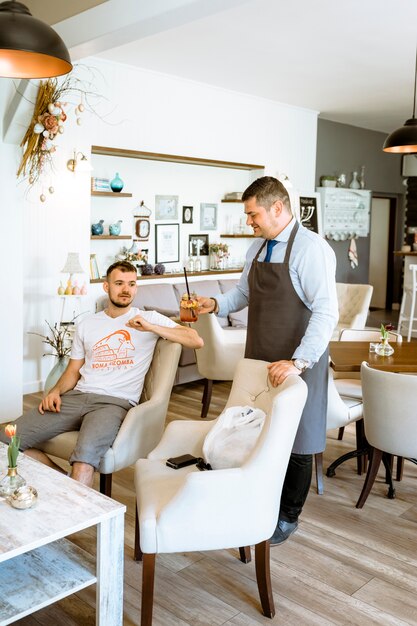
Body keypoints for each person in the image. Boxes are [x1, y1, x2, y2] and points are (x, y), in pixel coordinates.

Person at [197, 176, 338, 544]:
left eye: (253, 214)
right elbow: (243, 293)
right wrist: (214, 305)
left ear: (277, 208)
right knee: (258, 429)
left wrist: (299, 361)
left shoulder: (312, 249)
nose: (249, 222)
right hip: (259, 356)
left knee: (298, 439)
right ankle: (259, 501)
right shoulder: (257, 249)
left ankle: (288, 517)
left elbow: (326, 312)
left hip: (297, 361)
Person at [1, 261, 203, 487]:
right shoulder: (88, 324)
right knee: (8, 439)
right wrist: (56, 391)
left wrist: (151, 328)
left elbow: (196, 340)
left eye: (131, 284)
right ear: (106, 287)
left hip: (113, 403)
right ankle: (65, 487)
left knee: (85, 459)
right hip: (76, 397)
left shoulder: (149, 318)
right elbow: (73, 370)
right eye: (119, 283)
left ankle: (74, 510)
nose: (126, 289)